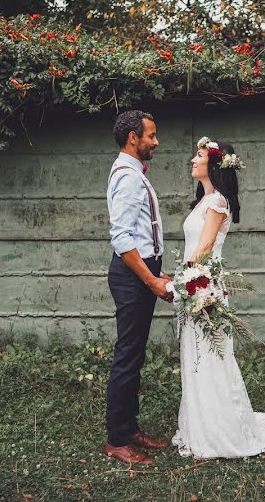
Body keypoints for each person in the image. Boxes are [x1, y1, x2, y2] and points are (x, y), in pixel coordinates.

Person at [171, 136, 265, 459]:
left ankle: (219, 431)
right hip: (199, 285)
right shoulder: (205, 201)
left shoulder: (219, 202)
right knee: (197, 356)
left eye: (200, 155)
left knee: (210, 357)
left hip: (203, 289)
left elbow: (203, 250)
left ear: (215, 164)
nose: (193, 159)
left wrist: (181, 283)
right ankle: (200, 425)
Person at [104, 109, 173, 465]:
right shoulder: (128, 178)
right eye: (151, 135)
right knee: (127, 357)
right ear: (134, 137)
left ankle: (129, 429)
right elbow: (121, 238)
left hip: (142, 272)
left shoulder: (133, 174)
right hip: (133, 276)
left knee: (135, 355)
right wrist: (151, 280)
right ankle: (117, 440)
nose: (156, 142)